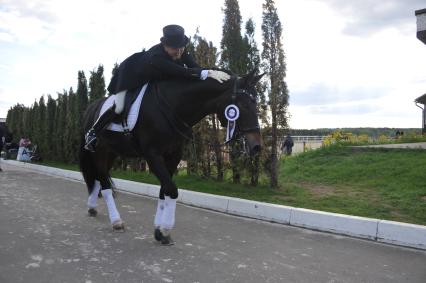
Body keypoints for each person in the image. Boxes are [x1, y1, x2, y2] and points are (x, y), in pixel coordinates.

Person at [84, 24, 231, 152]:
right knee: (119, 106)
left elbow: (195, 68)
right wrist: (206, 73)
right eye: (175, 49)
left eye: (181, 47)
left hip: (154, 75)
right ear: (165, 45)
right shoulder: (156, 57)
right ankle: (93, 132)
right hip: (130, 75)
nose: (179, 52)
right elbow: (181, 72)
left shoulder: (181, 50)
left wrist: (212, 73)